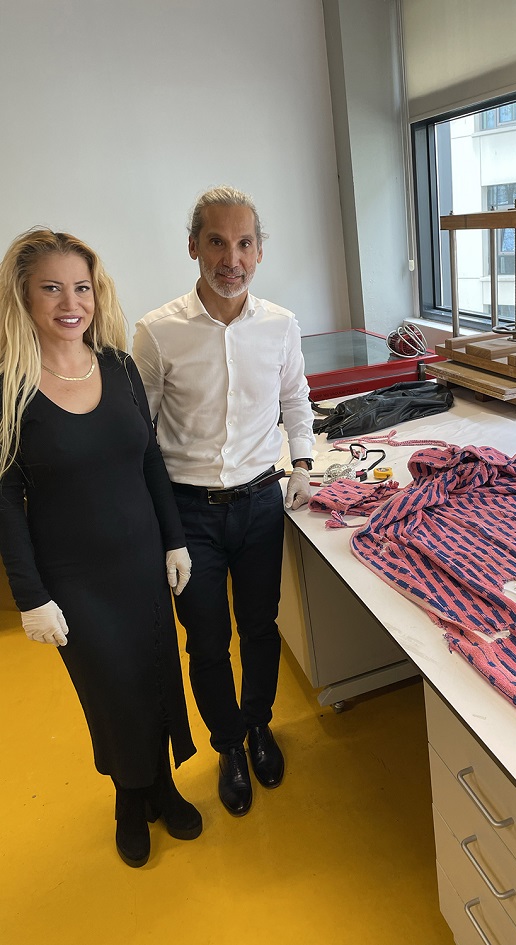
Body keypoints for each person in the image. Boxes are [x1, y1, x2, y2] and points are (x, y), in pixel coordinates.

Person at [0, 229, 202, 868]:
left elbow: (150, 461)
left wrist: (174, 541)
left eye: (81, 288)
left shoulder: (116, 367)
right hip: (74, 580)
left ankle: (163, 786)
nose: (71, 303)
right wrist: (30, 596)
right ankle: (129, 797)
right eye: (52, 288)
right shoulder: (10, 386)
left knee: (156, 675)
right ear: (23, 297)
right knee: (111, 692)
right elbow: (4, 501)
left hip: (142, 561)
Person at [133, 185, 315, 816]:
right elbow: (140, 435)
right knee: (207, 642)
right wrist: (158, 526)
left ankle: (259, 725)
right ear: (193, 246)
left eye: (244, 243)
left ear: (260, 251)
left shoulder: (281, 325)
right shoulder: (157, 332)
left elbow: (296, 400)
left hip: (262, 502)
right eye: (217, 242)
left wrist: (303, 464)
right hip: (189, 513)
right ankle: (229, 745)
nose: (231, 259)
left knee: (261, 627)